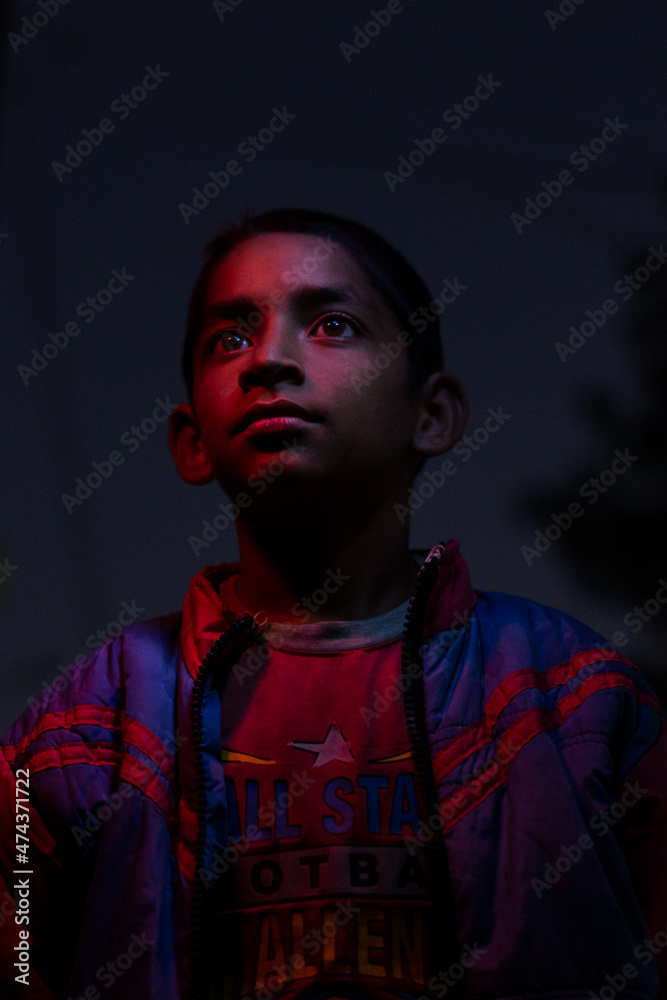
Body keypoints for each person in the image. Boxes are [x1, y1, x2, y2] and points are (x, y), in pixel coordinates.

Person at [1, 208, 665, 1000]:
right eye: (230, 338)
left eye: (333, 324)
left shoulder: (574, 700)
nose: (269, 361)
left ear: (434, 413)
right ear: (190, 439)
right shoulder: (75, 735)